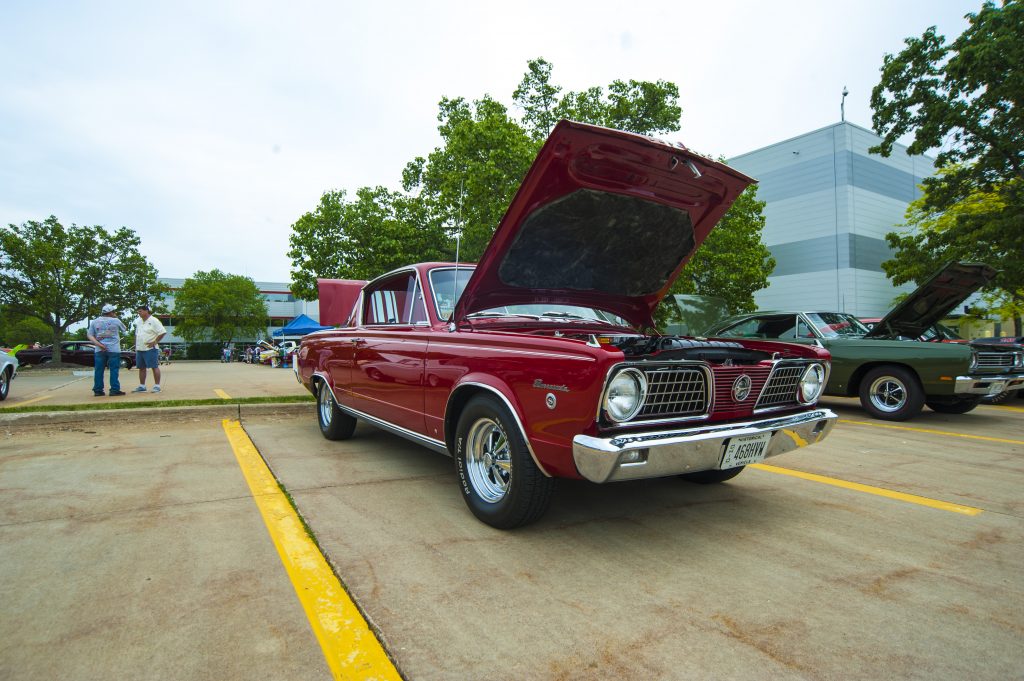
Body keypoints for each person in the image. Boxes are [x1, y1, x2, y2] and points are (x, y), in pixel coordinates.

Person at [87, 304, 128, 396]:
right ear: (111, 312)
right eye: (113, 312)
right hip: (114, 349)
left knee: (99, 370)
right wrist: (115, 318)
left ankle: (98, 390)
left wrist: (99, 344)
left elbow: (90, 335)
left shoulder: (95, 321)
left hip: (99, 349)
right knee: (114, 369)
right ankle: (114, 389)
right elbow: (124, 328)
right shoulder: (116, 320)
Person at [131, 304, 166, 393]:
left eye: (140, 311)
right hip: (140, 348)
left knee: (154, 366)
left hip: (150, 349)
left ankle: (157, 386)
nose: (139, 313)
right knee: (141, 367)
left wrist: (155, 342)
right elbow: (136, 333)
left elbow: (162, 332)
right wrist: (135, 344)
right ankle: (142, 386)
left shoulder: (154, 320)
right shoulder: (138, 321)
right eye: (138, 311)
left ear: (146, 311)